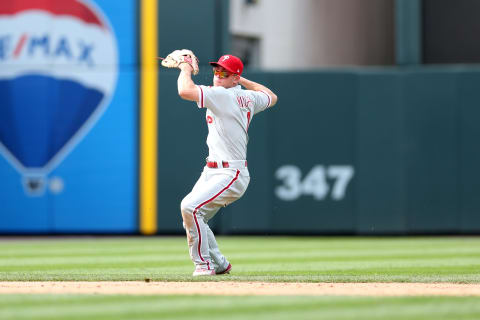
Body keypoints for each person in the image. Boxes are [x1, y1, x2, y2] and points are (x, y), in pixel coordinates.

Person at [176, 54, 278, 276]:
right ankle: (220, 264)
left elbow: (184, 91)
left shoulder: (223, 96)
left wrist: (184, 68)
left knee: (190, 208)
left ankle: (204, 265)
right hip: (214, 170)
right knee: (192, 217)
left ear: (234, 78)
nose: (217, 76)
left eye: (224, 73)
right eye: (216, 71)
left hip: (230, 172)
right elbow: (271, 96)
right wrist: (241, 81)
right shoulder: (248, 98)